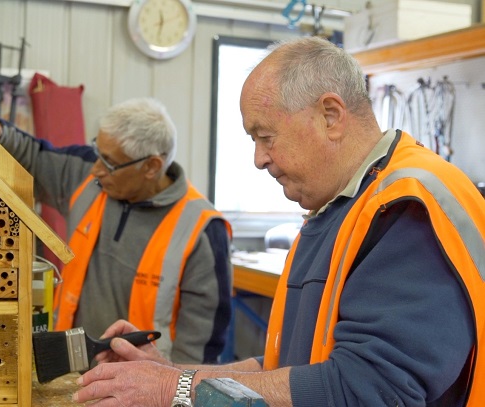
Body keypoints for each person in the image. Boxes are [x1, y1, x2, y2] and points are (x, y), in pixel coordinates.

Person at [72, 36, 485, 407]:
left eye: (265, 137)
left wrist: (173, 392)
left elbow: (369, 389)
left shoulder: (407, 208)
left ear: (330, 115)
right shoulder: (337, 207)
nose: (259, 159)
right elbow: (289, 366)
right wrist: (173, 375)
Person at [0, 98, 232, 364]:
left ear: (151, 167)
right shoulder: (86, 176)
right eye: (98, 152)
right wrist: (0, 132)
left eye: (109, 162)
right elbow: (33, 158)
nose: (96, 170)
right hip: (68, 372)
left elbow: (198, 352)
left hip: (140, 394)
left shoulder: (201, 230)